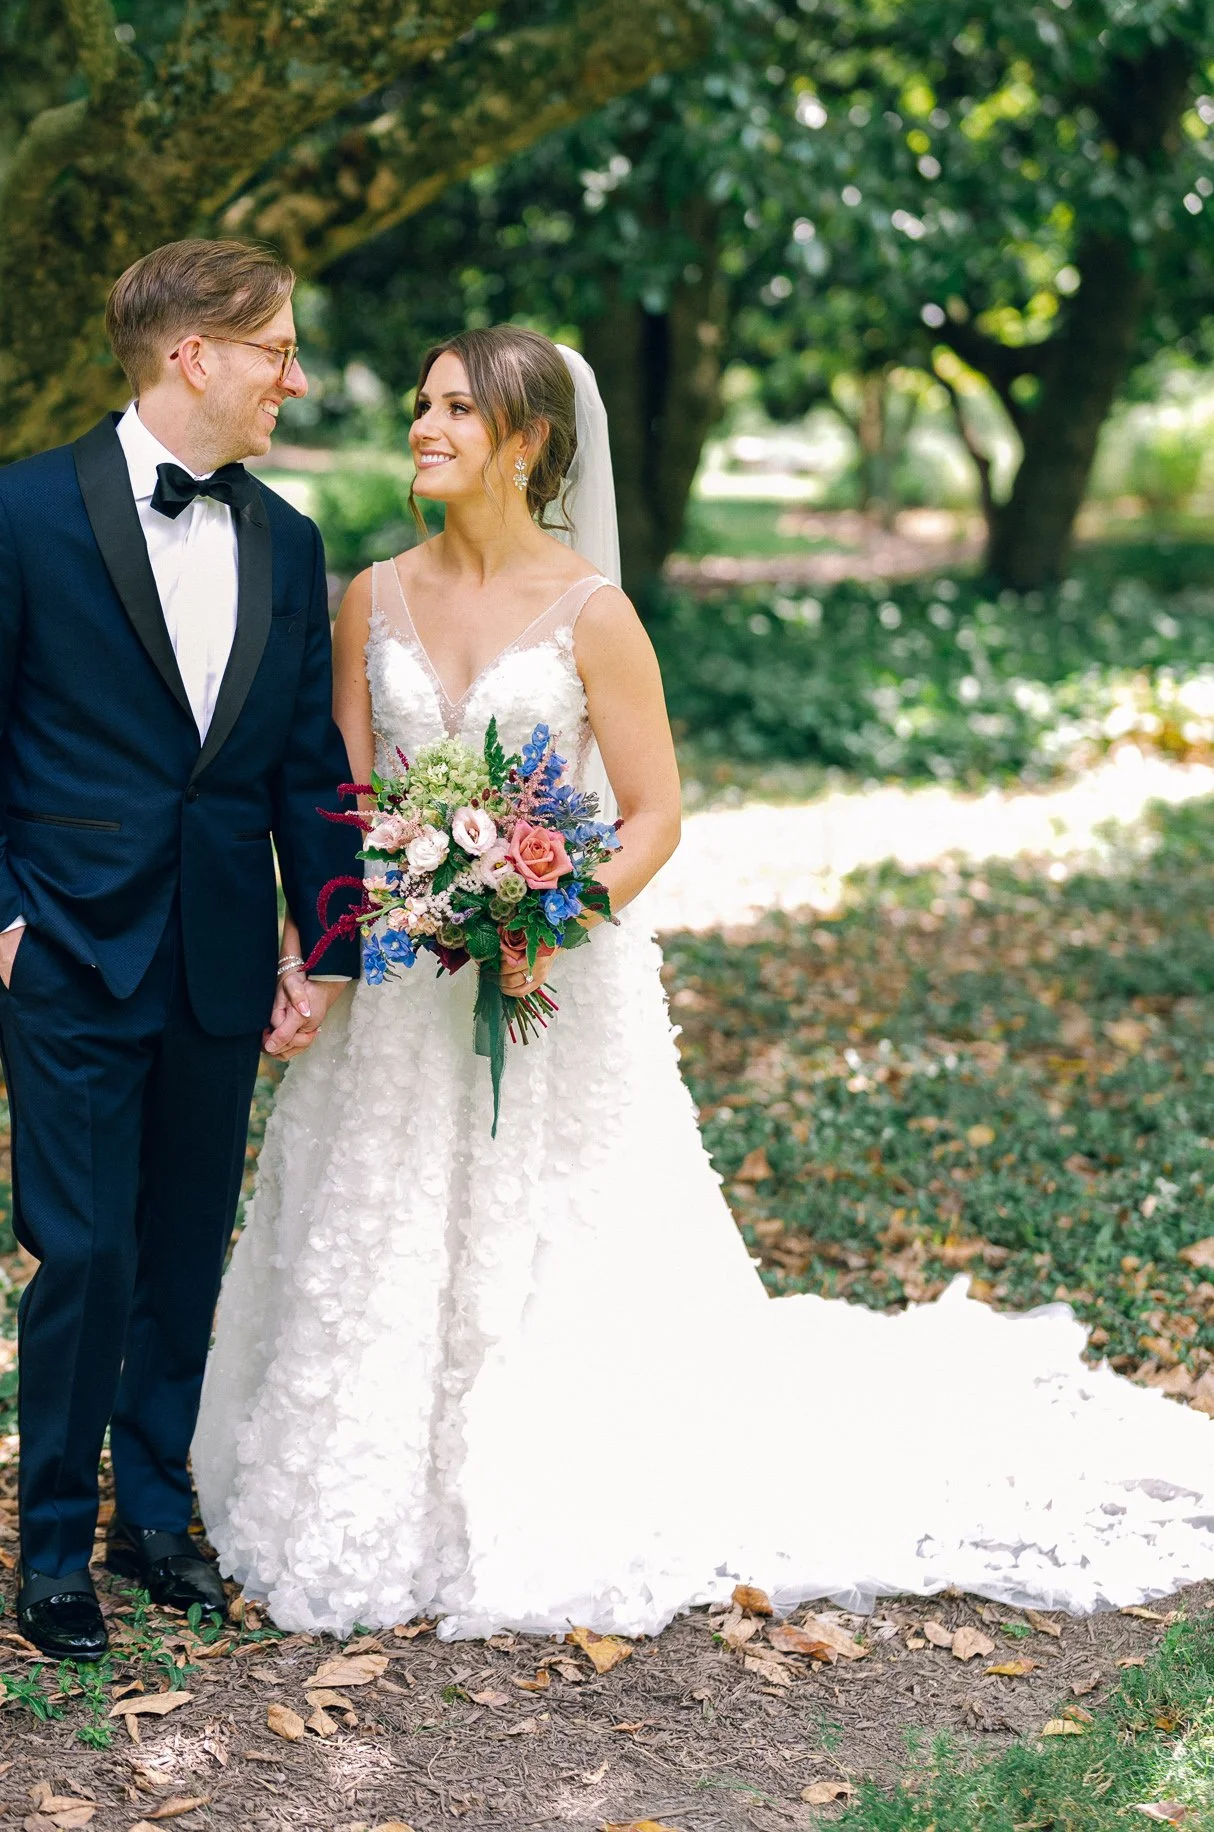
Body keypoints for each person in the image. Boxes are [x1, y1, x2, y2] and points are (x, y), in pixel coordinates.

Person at [193, 324, 1214, 1640]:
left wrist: (542, 917)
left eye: (458, 409)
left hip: (542, 984)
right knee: (374, 1226)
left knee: (549, 1243)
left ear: (530, 444)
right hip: (397, 981)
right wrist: (318, 945)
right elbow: (335, 800)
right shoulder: (368, 597)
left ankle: (546, 1478)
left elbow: (654, 814)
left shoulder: (590, 614)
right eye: (422, 405)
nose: (425, 430)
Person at [0, 239, 359, 1660]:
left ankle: (152, 1516)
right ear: (194, 356)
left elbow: (301, 768)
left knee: (180, 1248)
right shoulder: (15, 515)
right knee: (82, 1250)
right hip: (69, 952)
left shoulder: (286, 538)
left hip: (220, 952)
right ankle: (49, 1552)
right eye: (276, 349)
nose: (295, 375)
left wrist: (330, 943)